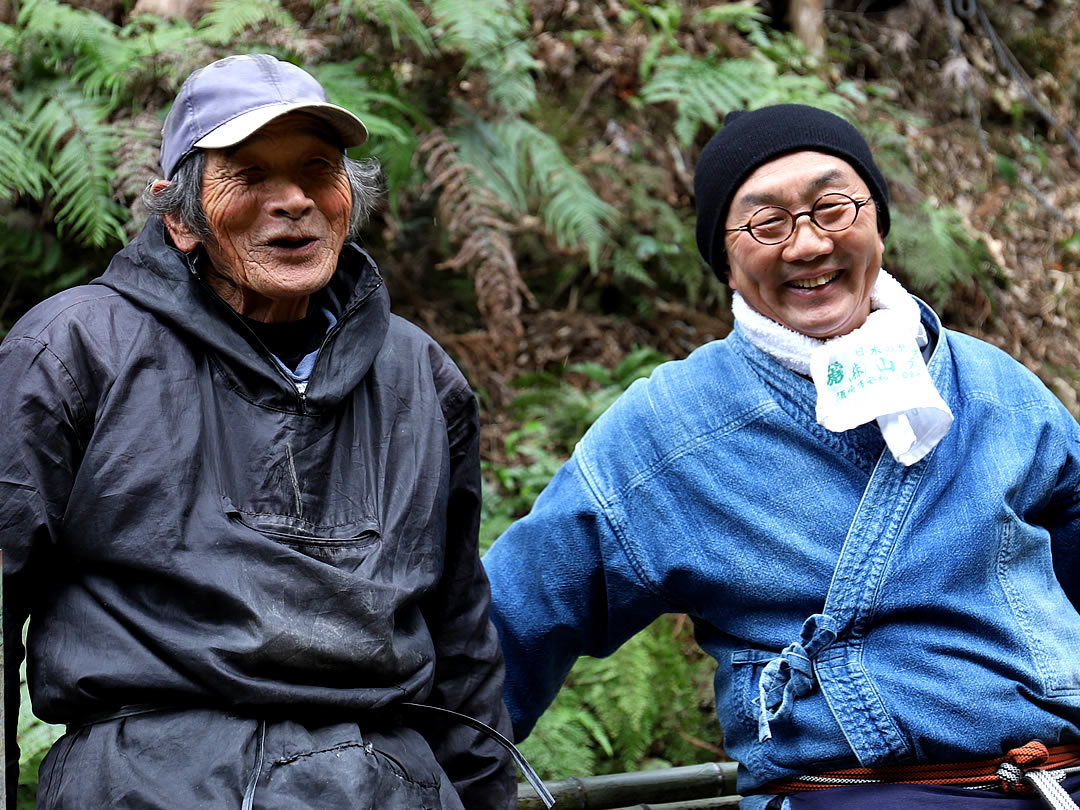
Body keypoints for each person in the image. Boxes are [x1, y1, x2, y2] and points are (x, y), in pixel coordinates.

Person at [482, 104, 1080, 809]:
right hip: (853, 792)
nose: (807, 245)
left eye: (832, 208)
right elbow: (513, 619)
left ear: (876, 222)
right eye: (768, 224)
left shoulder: (994, 387)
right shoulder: (670, 428)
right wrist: (435, 774)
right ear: (726, 262)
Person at [0, 53, 517, 809]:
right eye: (250, 175)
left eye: (318, 169)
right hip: (150, 782)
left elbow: (461, 636)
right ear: (178, 217)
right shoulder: (74, 351)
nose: (295, 202)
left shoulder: (419, 376)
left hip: (385, 784)